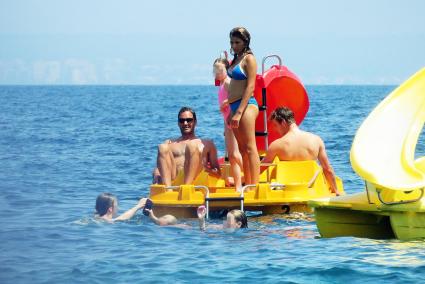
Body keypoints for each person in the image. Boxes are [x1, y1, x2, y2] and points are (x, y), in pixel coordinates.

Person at [262, 107, 341, 195]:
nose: (276, 130)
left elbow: (262, 167)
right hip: (312, 189)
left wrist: (246, 179)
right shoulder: (316, 140)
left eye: (276, 125)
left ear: (283, 122)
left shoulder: (277, 145)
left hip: (288, 191)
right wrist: (336, 190)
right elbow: (327, 169)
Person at [152, 107, 221, 187]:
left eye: (189, 120)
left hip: (196, 181)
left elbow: (218, 173)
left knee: (192, 146)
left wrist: (205, 168)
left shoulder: (207, 144)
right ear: (178, 123)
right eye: (182, 120)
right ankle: (168, 189)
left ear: (195, 122)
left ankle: (186, 187)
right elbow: (158, 168)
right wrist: (156, 176)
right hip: (173, 179)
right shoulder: (170, 143)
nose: (185, 123)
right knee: (162, 147)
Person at [227, 27, 260, 186]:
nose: (234, 45)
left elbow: (250, 87)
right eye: (232, 42)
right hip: (234, 107)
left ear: (245, 42)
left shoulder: (249, 59)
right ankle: (248, 183)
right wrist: (231, 112)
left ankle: (255, 185)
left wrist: (239, 112)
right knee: (241, 149)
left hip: (246, 106)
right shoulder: (236, 59)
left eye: (237, 42)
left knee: (250, 147)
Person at [213, 57, 243, 190]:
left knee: (235, 154)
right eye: (215, 70)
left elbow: (239, 94)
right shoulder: (221, 83)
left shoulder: (227, 82)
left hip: (231, 118)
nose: (217, 72)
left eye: (220, 69)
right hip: (227, 120)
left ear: (227, 69)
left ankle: (252, 174)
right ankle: (237, 185)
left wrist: (226, 102)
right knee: (231, 155)